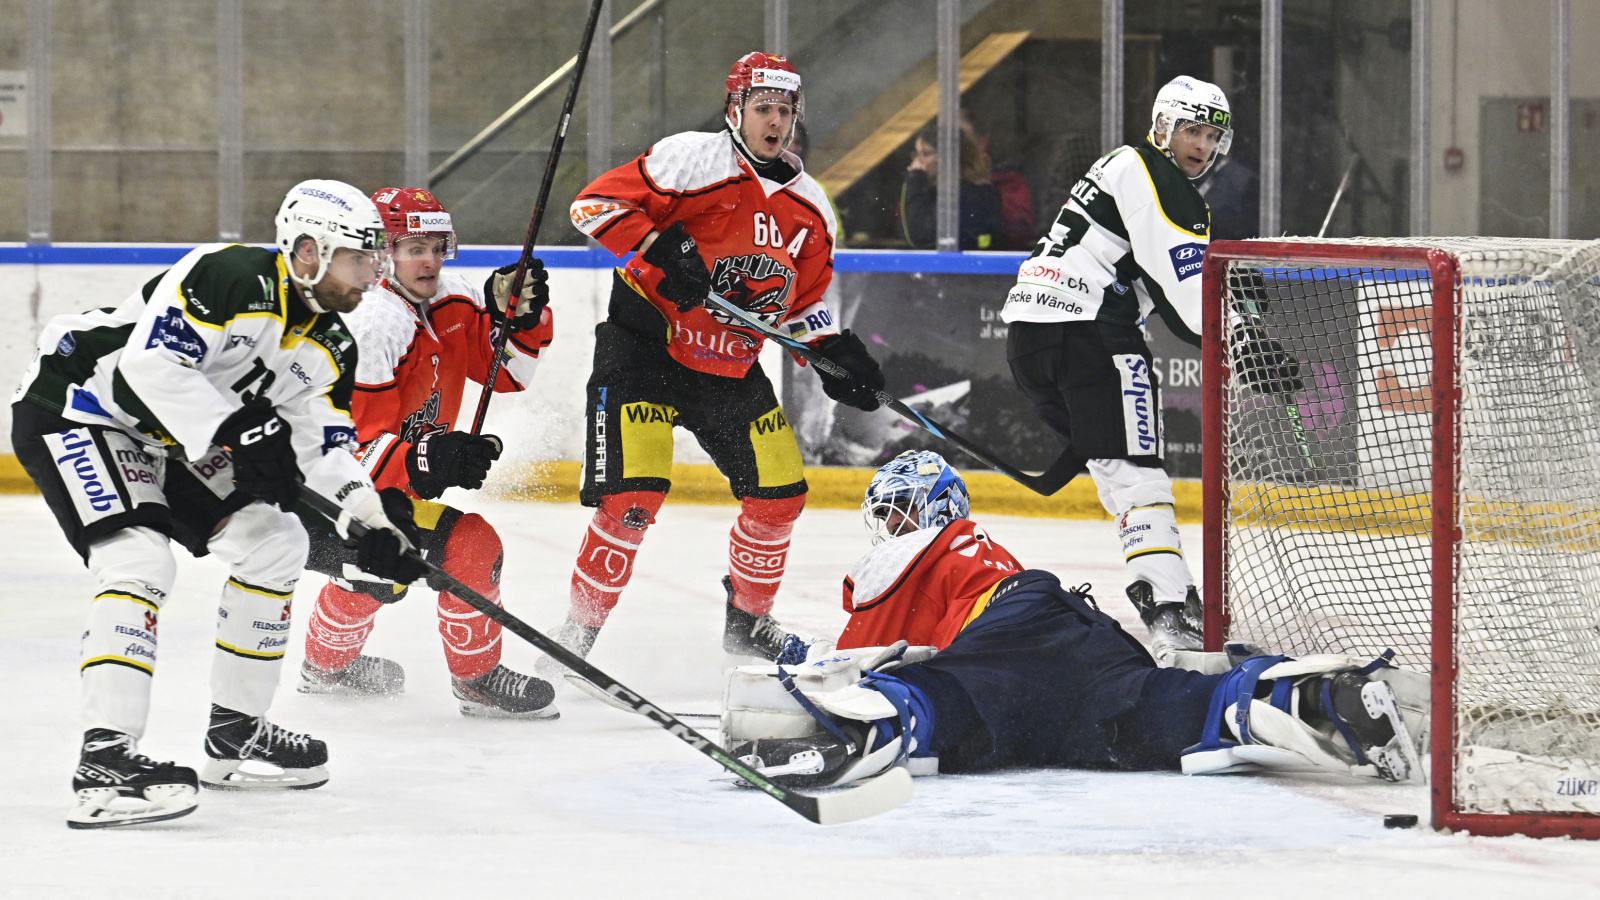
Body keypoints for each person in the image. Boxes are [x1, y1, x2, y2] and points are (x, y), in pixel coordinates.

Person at [12, 180, 429, 828]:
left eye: (375, 260)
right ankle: (105, 764)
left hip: (173, 436)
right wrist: (238, 432)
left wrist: (370, 522)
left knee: (277, 542)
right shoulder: (229, 275)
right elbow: (147, 372)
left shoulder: (330, 344)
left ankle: (236, 732)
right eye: (358, 258)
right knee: (138, 562)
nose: (371, 275)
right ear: (309, 252)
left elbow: (323, 447)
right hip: (78, 406)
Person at [723, 451, 1428, 790]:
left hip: (1011, 635)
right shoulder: (977, 545)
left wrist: (787, 657)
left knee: (928, 697)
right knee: (1170, 715)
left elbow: (857, 657)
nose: (898, 524)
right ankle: (1310, 697)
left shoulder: (920, 547)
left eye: (907, 508)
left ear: (936, 509)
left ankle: (847, 734)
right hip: (1081, 652)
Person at [556, 51, 884, 666]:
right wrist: (659, 247)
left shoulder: (812, 208)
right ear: (735, 110)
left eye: (785, 110)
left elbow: (803, 303)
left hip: (729, 368)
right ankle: (575, 637)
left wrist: (835, 353)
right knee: (633, 500)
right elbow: (591, 207)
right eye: (763, 107)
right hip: (645, 350)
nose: (775, 121)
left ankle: (748, 624)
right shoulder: (691, 158)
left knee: (781, 493)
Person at [996, 76, 1299, 658]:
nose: (1202, 146)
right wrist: (1244, 341)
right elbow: (1184, 299)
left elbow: (1157, 276)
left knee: (1120, 472)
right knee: (1138, 476)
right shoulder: (1160, 178)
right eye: (1191, 129)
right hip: (1090, 332)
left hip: (1031, 339)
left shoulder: (1121, 166)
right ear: (1162, 125)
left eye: (1212, 135)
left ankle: (1175, 596)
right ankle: (1168, 610)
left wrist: (1225, 280)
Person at [296, 187, 559, 719]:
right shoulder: (371, 322)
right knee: (405, 562)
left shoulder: (450, 298)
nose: (431, 260)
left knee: (434, 553)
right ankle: (342, 669)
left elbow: (505, 374)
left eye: (438, 246)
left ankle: (344, 668)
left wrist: (522, 320)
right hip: (315, 501)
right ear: (379, 252)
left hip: (379, 490)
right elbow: (346, 451)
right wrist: (428, 456)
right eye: (414, 247)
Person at [898, 121, 1003, 250]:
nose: (917, 162)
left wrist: (915, 180)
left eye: (926, 154)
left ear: (947, 157)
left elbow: (920, 236)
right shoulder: (933, 191)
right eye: (916, 154)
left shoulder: (972, 194)